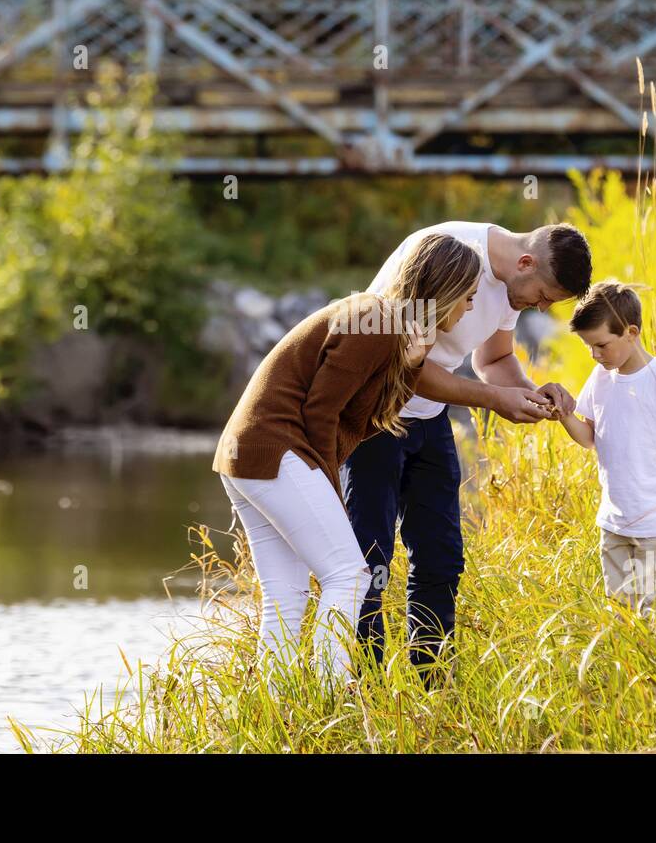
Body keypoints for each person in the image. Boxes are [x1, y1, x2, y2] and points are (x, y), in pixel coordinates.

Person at [214, 234, 483, 683]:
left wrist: (412, 365)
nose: (471, 308)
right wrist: (332, 494)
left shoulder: (391, 330)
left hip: (248, 454)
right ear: (446, 290)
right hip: (277, 449)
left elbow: (360, 420)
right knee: (350, 575)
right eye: (469, 297)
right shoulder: (375, 320)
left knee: (287, 594)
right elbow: (319, 413)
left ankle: (279, 708)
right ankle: (332, 696)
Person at [344, 221, 592, 683]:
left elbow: (493, 360)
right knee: (368, 559)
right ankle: (364, 689)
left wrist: (533, 394)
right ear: (525, 262)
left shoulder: (512, 282)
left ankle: (430, 685)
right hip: (376, 417)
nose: (540, 307)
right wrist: (496, 400)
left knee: (441, 555)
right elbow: (402, 363)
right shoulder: (445, 256)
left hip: (430, 419)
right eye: (542, 296)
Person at [554, 281, 656, 613]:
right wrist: (563, 414)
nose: (595, 355)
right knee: (622, 612)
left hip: (654, 523)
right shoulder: (600, 378)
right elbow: (588, 438)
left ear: (631, 332)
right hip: (613, 523)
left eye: (601, 345)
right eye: (589, 348)